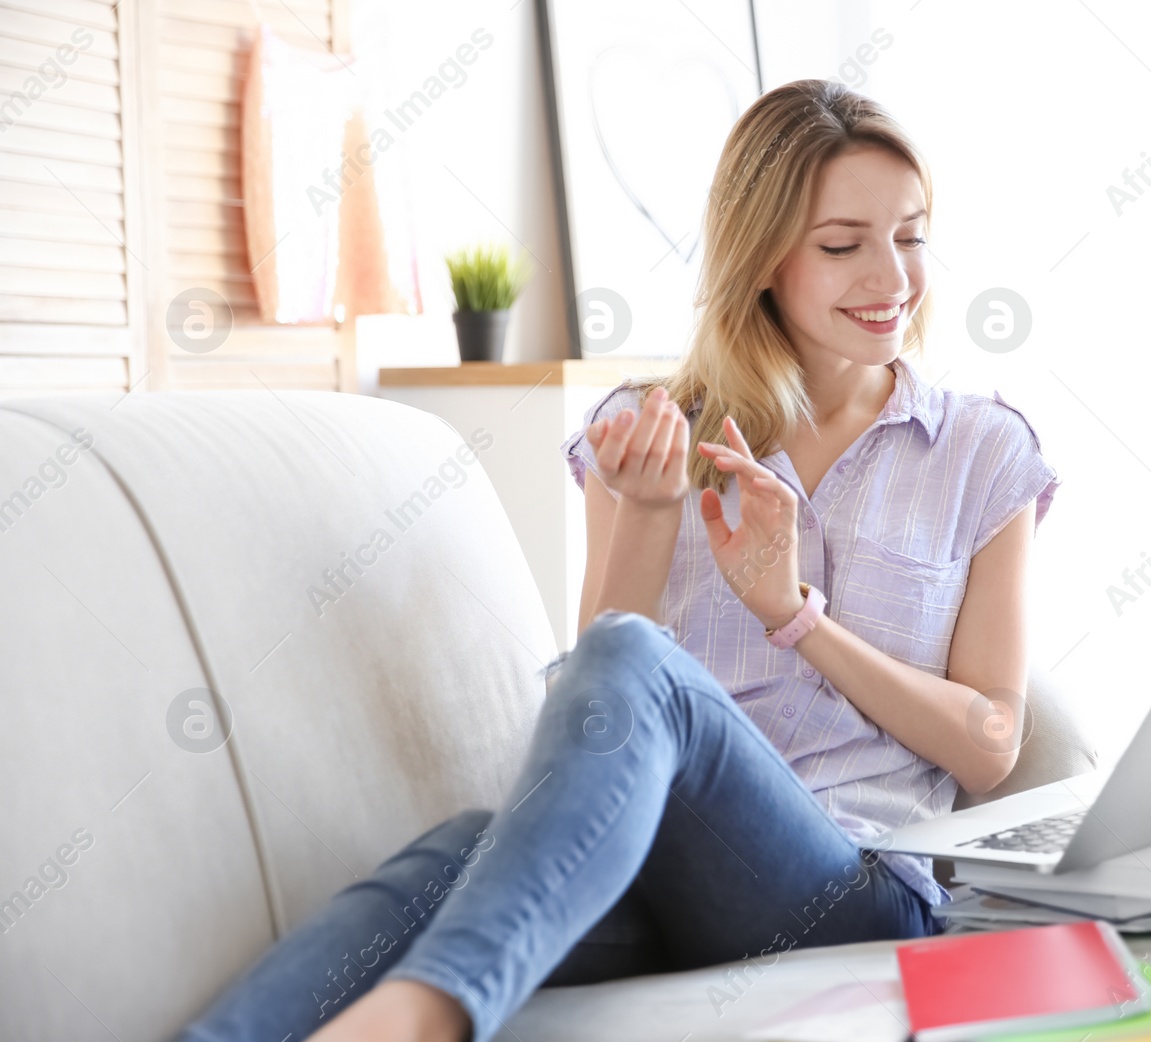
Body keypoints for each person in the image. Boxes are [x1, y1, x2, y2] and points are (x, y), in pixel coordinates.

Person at [180, 77, 1059, 1042]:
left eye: (911, 235)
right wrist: (645, 515)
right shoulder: (645, 432)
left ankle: (430, 1019)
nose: (892, 278)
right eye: (845, 246)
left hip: (854, 896)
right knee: (460, 853)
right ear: (762, 258)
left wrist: (794, 615)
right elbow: (593, 705)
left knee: (644, 671)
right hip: (665, 876)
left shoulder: (981, 451)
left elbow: (989, 743)